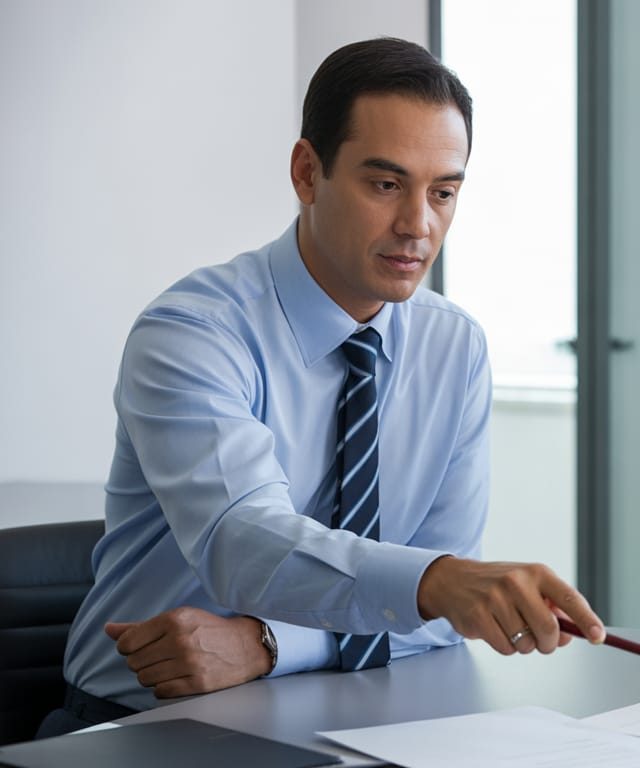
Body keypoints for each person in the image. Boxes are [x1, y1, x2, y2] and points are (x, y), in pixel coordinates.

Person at [43, 37, 603, 735]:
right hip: (142, 724)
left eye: (444, 192)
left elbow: (435, 623)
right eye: (386, 184)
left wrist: (270, 644)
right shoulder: (192, 333)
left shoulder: (453, 347)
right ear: (308, 173)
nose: (418, 226)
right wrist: (434, 584)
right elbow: (245, 545)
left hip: (354, 716)